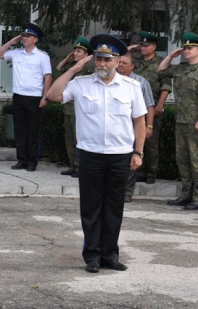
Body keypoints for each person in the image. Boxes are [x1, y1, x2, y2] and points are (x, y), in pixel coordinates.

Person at [47, 33, 146, 273]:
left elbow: (139, 122)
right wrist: (74, 69)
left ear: (117, 61)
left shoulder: (131, 87)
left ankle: (109, 255)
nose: (102, 64)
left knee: (114, 207)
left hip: (120, 155)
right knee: (91, 207)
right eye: (99, 59)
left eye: (107, 60)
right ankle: (92, 255)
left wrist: (138, 152)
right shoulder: (81, 84)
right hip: (90, 154)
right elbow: (52, 95)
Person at [158, 32, 198, 211]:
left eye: (190, 48)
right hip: (181, 121)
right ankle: (185, 195)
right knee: (182, 160)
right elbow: (160, 71)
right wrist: (170, 56)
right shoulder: (181, 68)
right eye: (185, 48)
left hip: (196, 122)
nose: (186, 51)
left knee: (196, 160)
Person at [0, 22, 52, 172]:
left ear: (35, 39)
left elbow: (47, 77)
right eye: (24, 36)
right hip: (19, 96)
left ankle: (32, 162)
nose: (25, 38)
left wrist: (44, 97)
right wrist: (10, 42)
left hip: (34, 97)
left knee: (32, 131)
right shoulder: (16, 53)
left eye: (28, 36)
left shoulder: (42, 57)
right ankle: (21, 160)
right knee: (19, 130)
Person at [128, 31, 172, 184]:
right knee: (136, 139)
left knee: (151, 141)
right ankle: (140, 170)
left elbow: (166, 85)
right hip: (135, 107)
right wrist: (128, 50)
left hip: (152, 106)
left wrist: (160, 104)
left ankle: (152, 172)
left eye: (147, 46)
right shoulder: (136, 62)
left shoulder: (160, 63)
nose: (143, 48)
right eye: (142, 45)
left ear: (154, 46)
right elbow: (120, 62)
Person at [117, 53, 155, 202]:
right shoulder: (110, 80)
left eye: (124, 63)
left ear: (132, 66)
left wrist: (149, 126)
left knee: (131, 158)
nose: (120, 65)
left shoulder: (141, 82)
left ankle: (127, 192)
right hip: (117, 126)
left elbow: (149, 105)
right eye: (118, 62)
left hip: (134, 126)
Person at [55, 36, 93, 178]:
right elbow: (59, 68)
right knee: (69, 139)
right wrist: (67, 58)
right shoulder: (71, 67)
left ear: (86, 55)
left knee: (79, 139)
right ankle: (73, 165)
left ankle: (81, 166)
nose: (76, 53)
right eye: (75, 51)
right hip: (68, 108)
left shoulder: (88, 69)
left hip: (80, 109)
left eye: (79, 51)